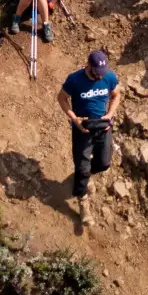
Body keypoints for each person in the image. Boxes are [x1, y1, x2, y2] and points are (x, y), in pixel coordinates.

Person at [57, 48, 122, 226]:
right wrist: (74, 119)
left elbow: (116, 95)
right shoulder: (75, 80)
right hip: (83, 127)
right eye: (96, 73)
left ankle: (83, 176)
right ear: (88, 66)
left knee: (104, 163)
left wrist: (110, 114)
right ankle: (83, 200)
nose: (100, 76)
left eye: (103, 72)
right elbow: (62, 98)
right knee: (83, 167)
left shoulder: (109, 76)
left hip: (103, 125)